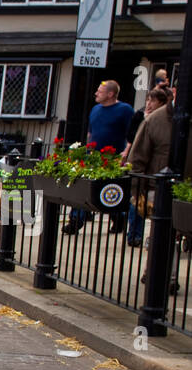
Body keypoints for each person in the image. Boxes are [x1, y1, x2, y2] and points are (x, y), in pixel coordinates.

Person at [64, 80, 135, 234]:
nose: (96, 93)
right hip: (93, 157)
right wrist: (87, 149)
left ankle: (118, 217)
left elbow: (132, 133)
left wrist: (126, 152)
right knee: (83, 187)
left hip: (113, 157)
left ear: (110, 94)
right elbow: (91, 131)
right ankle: (75, 220)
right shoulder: (95, 109)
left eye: (100, 91)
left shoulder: (125, 110)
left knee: (110, 191)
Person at [125, 85, 173, 247]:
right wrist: (137, 190)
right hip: (156, 185)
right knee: (161, 232)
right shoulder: (152, 119)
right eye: (147, 100)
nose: (148, 103)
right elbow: (137, 156)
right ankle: (136, 236)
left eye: (152, 100)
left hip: (182, 187)